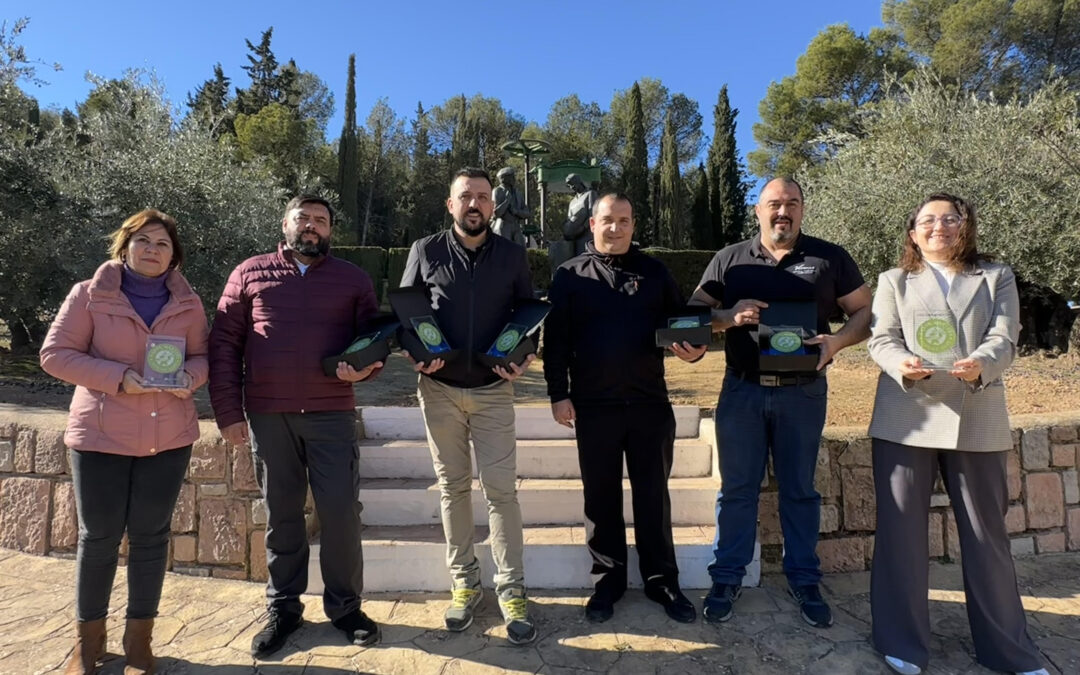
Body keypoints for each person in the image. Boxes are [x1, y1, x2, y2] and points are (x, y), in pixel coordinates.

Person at [866, 193, 1049, 675]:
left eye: (950, 218)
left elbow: (1005, 335)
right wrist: (900, 363)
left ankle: (1007, 649)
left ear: (965, 225)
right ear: (912, 232)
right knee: (901, 537)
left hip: (978, 413)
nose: (939, 227)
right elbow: (881, 338)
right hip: (907, 418)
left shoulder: (996, 276)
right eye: (928, 220)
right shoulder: (893, 281)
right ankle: (901, 643)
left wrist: (983, 364)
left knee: (988, 537)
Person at [692, 177, 871, 627]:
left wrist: (837, 342)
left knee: (800, 490)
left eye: (792, 203)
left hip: (803, 393)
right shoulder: (729, 259)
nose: (782, 212)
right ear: (758, 210)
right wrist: (725, 317)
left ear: (803, 210)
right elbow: (692, 315)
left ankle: (805, 579)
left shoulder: (829, 256)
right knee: (736, 491)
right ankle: (727, 577)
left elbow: (866, 312)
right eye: (774, 204)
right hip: (742, 390)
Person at [209, 195, 383, 657]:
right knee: (283, 516)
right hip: (269, 416)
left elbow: (376, 340)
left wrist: (366, 368)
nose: (311, 226)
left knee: (342, 514)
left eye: (321, 221)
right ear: (284, 223)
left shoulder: (353, 279)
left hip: (332, 415)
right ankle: (284, 609)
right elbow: (224, 344)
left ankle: (346, 608)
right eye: (302, 218)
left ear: (331, 231)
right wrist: (227, 412)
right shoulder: (249, 273)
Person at [40, 209, 208, 675]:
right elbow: (54, 356)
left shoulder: (190, 304)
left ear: (174, 255)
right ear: (125, 246)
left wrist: (189, 378)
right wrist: (119, 379)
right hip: (100, 437)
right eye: (144, 241)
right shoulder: (89, 296)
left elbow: (201, 357)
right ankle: (86, 646)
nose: (153, 250)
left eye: (163, 244)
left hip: (168, 437)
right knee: (98, 540)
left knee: (152, 539)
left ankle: (139, 646)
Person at [543, 193, 706, 624]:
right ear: (591, 225)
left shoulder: (654, 272)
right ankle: (608, 581)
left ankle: (662, 581)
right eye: (607, 221)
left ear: (634, 225)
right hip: (593, 406)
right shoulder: (568, 276)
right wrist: (558, 394)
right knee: (601, 498)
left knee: (653, 496)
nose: (615, 229)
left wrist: (693, 350)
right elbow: (555, 343)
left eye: (624, 221)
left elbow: (681, 324)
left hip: (650, 403)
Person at [400, 167, 537, 645]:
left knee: (502, 493)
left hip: (493, 390)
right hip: (439, 391)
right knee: (453, 488)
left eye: (483, 196)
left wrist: (523, 357)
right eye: (466, 197)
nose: (475, 204)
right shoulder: (425, 251)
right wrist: (418, 355)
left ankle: (512, 587)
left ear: (493, 206)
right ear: (450, 204)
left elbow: (528, 317)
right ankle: (464, 583)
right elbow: (405, 315)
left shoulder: (514, 256)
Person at [492, 167, 530, 247]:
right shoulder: (497, 191)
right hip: (503, 226)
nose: (514, 179)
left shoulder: (518, 193)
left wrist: (517, 211)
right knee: (504, 252)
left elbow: (527, 213)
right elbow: (496, 213)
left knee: (520, 252)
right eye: (512, 176)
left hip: (516, 226)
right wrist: (506, 201)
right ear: (504, 178)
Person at [562, 174, 598, 257]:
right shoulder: (572, 202)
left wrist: (583, 228)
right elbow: (569, 219)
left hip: (587, 236)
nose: (571, 187)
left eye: (572, 184)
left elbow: (593, 214)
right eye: (569, 185)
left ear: (578, 182)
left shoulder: (590, 194)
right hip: (574, 238)